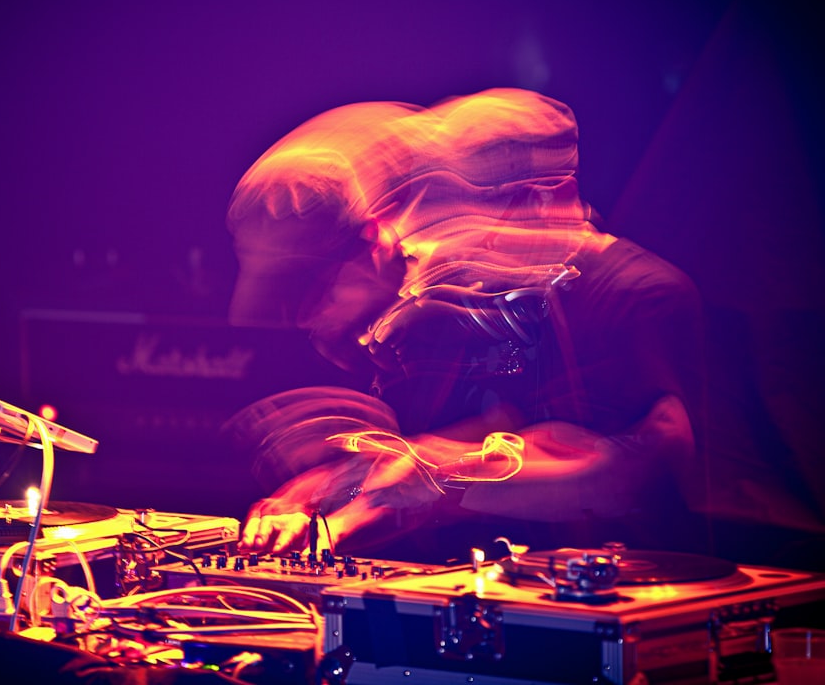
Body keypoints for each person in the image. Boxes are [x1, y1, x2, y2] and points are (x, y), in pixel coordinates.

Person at [221, 88, 710, 563]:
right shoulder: (495, 305)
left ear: (547, 197)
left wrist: (429, 481)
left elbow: (633, 471)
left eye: (475, 216)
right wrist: (328, 487)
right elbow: (498, 429)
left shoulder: (637, 295)